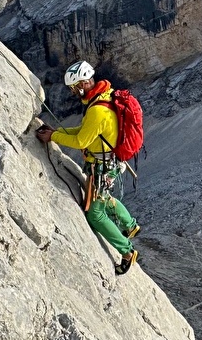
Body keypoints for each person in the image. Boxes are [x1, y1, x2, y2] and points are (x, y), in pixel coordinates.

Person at [37, 60, 141, 273]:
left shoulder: (96, 111)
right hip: (107, 163)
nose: (74, 92)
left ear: (84, 83)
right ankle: (130, 225)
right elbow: (85, 132)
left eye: (75, 87)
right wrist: (57, 132)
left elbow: (81, 142)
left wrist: (53, 137)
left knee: (95, 215)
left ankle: (127, 251)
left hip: (101, 168)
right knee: (104, 199)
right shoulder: (103, 98)